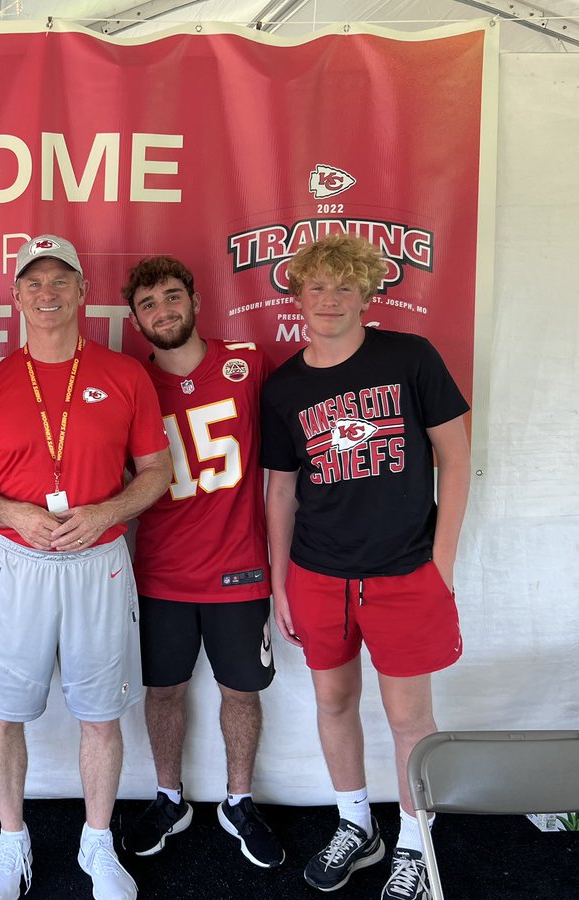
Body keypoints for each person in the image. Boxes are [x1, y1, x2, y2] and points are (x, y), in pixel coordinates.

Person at [0, 235, 171, 900]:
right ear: (16, 296)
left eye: (60, 281)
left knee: (101, 714)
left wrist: (108, 512)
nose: (47, 293)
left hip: (97, 559)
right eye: (34, 282)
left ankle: (97, 842)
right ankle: (11, 841)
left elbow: (156, 471)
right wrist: (12, 513)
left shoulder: (125, 374)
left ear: (82, 292)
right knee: (4, 712)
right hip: (16, 560)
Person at [261, 234, 471, 900]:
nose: (329, 300)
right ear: (297, 298)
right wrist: (279, 584)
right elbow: (281, 491)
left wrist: (441, 563)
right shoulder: (285, 386)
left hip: (405, 573)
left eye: (344, 287)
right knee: (333, 701)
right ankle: (357, 824)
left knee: (409, 717)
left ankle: (414, 841)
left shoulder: (409, 357)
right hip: (318, 574)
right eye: (317, 287)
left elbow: (456, 459)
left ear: (367, 296)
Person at [118, 255, 285, 869]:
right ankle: (170, 797)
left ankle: (239, 801)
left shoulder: (248, 362)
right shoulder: (131, 382)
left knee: (241, 692)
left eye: (171, 296)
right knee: (164, 691)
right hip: (161, 571)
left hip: (240, 567)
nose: (162, 311)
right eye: (148, 304)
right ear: (136, 320)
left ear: (194, 300)